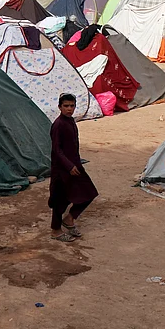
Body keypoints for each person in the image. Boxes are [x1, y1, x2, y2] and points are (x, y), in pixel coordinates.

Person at [49, 94, 98, 243]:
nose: (69, 109)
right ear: (60, 107)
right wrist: (68, 165)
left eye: (72, 106)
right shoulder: (58, 124)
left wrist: (75, 164)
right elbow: (57, 150)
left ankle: (69, 219)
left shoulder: (70, 121)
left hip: (75, 166)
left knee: (89, 193)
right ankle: (55, 230)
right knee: (60, 200)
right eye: (66, 106)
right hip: (62, 169)